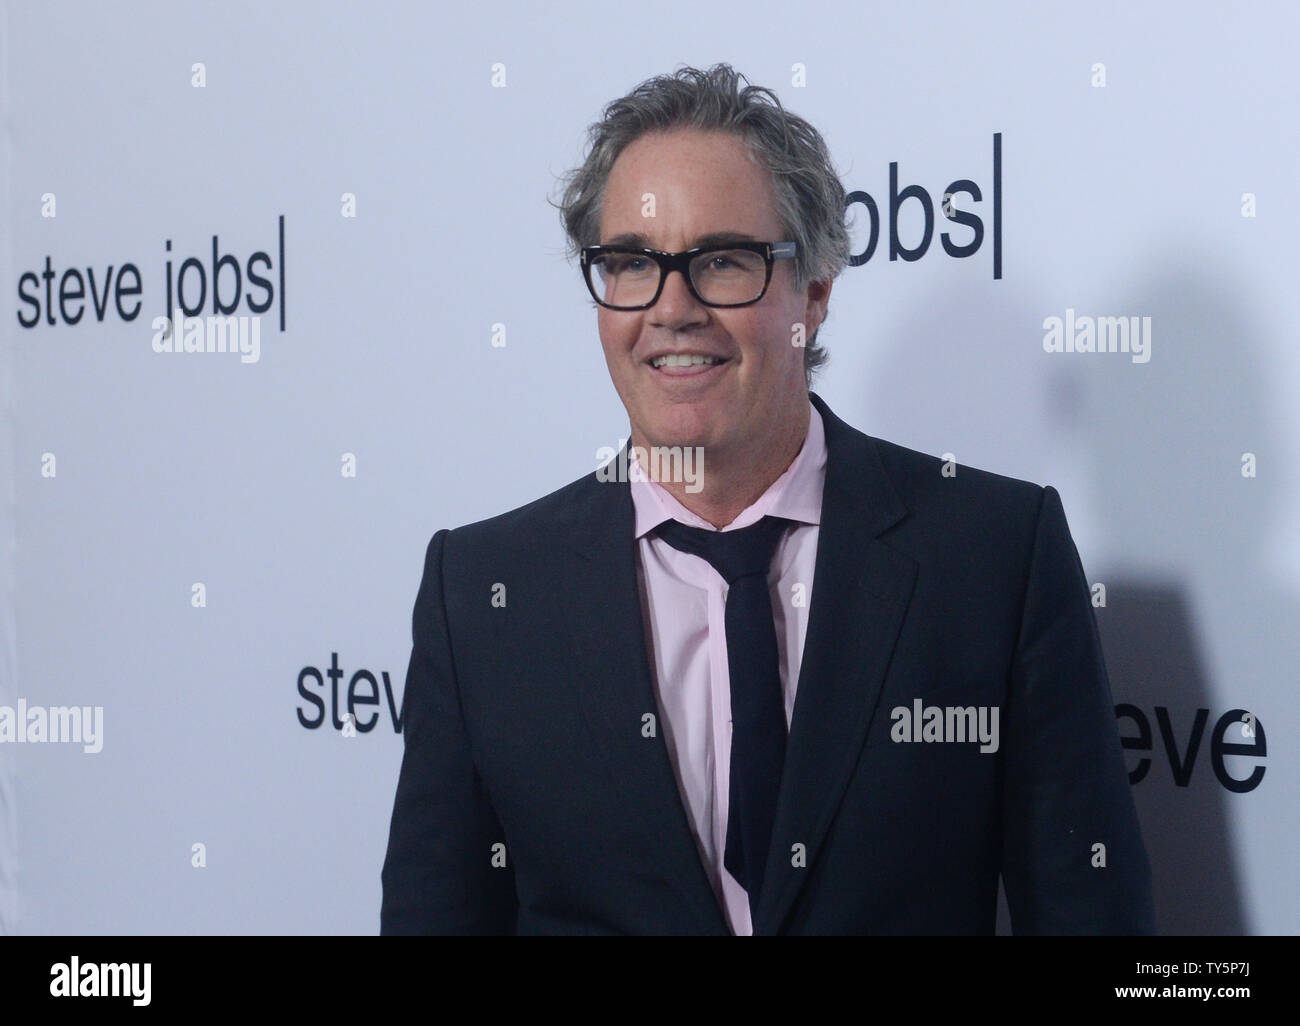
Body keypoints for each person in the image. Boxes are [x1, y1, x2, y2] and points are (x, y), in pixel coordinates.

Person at [380, 63, 1155, 935]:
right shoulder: (483, 592)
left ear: (814, 292)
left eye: (721, 261)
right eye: (632, 264)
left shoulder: (993, 557)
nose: (672, 308)